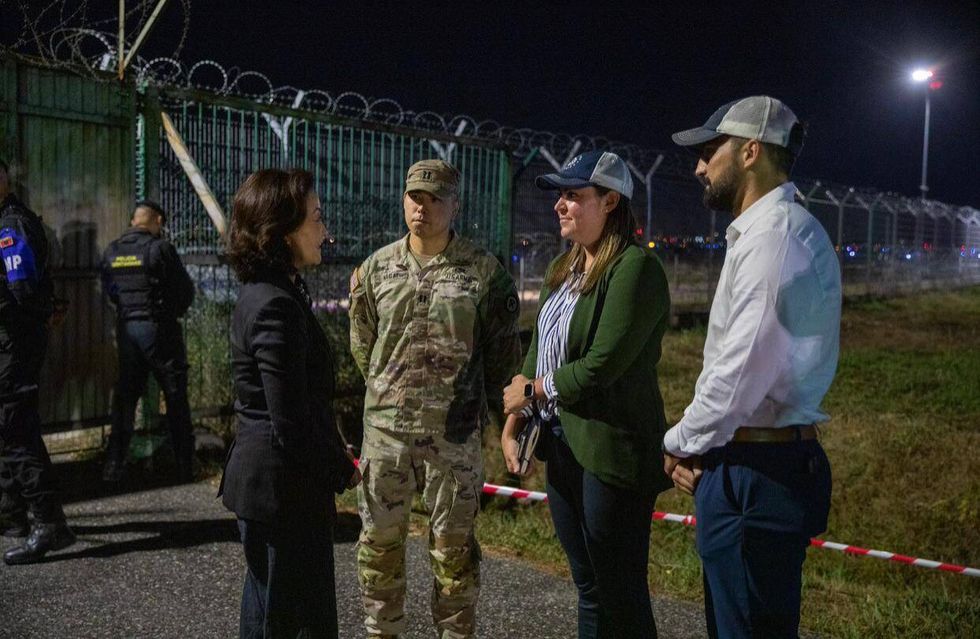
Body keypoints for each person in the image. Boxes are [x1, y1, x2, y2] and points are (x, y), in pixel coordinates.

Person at [663, 96, 839, 639]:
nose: (700, 167)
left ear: (750, 152)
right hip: (748, 460)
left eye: (710, 151)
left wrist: (677, 443)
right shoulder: (770, 233)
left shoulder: (774, 238)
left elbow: (738, 374)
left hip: (757, 472)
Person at [501, 150, 673, 639]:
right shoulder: (564, 267)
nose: (559, 205)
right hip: (561, 445)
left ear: (610, 201)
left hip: (610, 450)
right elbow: (540, 348)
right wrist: (515, 421)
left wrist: (533, 390)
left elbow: (602, 364)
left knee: (621, 591)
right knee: (590, 587)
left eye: (573, 195)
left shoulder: (635, 268)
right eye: (559, 195)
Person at [349, 159, 522, 639]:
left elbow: (502, 360)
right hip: (386, 437)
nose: (421, 208)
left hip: (454, 439)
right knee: (379, 549)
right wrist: (391, 394)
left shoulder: (484, 273)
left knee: (454, 554)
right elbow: (364, 348)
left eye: (434, 199)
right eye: (414, 197)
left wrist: (504, 424)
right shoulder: (376, 269)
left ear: (455, 206)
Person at [220, 168, 359, 639]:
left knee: (269, 614)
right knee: (291, 620)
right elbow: (290, 421)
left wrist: (334, 452)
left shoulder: (276, 290)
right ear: (282, 232)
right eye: (316, 218)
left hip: (281, 485)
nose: (326, 230)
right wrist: (341, 470)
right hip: (283, 491)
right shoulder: (274, 303)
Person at [0, 158, 75, 565]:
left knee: (16, 430)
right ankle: (13, 516)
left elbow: (24, 288)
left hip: (14, 343)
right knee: (7, 428)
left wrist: (42, 313)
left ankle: (49, 524)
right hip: (11, 342)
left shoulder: (11, 225)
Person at [100, 201, 196, 482]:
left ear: (133, 221)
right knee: (175, 396)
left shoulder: (112, 251)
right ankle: (184, 465)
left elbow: (111, 291)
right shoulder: (160, 249)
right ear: (157, 221)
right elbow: (184, 291)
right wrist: (169, 312)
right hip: (159, 330)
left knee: (125, 400)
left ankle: (114, 464)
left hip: (127, 332)